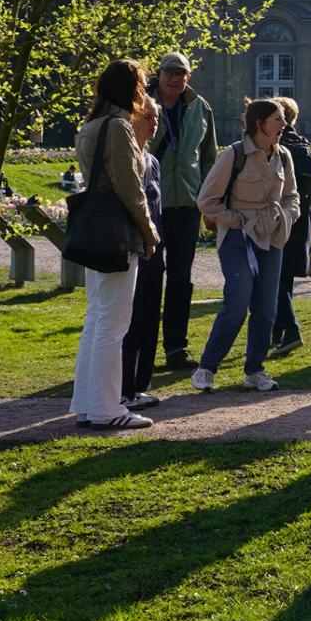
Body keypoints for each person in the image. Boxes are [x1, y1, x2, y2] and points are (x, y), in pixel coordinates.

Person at [68, 61, 163, 430]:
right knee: (113, 322)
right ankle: (107, 408)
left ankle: (89, 404)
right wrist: (150, 234)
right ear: (130, 88)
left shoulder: (91, 125)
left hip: (96, 228)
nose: (145, 90)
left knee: (97, 318)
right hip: (118, 233)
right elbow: (129, 188)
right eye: (141, 83)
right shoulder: (120, 126)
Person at [191, 99, 300, 392]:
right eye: (278, 119)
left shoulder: (284, 156)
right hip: (237, 240)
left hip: (271, 238)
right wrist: (235, 221)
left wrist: (284, 218)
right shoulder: (233, 155)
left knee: (266, 307)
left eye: (283, 119)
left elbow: (292, 197)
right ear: (259, 124)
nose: (284, 125)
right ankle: (206, 368)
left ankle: (255, 371)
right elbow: (206, 201)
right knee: (238, 302)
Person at [149, 54, 220, 372]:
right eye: (169, 73)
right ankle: (143, 347)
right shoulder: (142, 104)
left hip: (188, 207)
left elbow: (209, 159)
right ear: (159, 74)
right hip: (152, 205)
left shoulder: (200, 107)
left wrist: (208, 202)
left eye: (181, 74)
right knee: (148, 280)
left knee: (181, 280)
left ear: (188, 78)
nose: (175, 79)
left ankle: (176, 348)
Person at [118, 93, 169, 412]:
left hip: (155, 250)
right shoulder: (126, 158)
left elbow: (156, 209)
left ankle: (140, 385)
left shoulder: (152, 161)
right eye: (147, 117)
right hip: (134, 249)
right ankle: (123, 388)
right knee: (129, 321)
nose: (154, 124)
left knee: (151, 318)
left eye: (156, 118)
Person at [269, 96, 311, 360]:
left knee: (272, 277)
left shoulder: (276, 146)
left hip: (277, 219)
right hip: (299, 221)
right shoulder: (304, 146)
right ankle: (276, 332)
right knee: (284, 277)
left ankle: (290, 329)